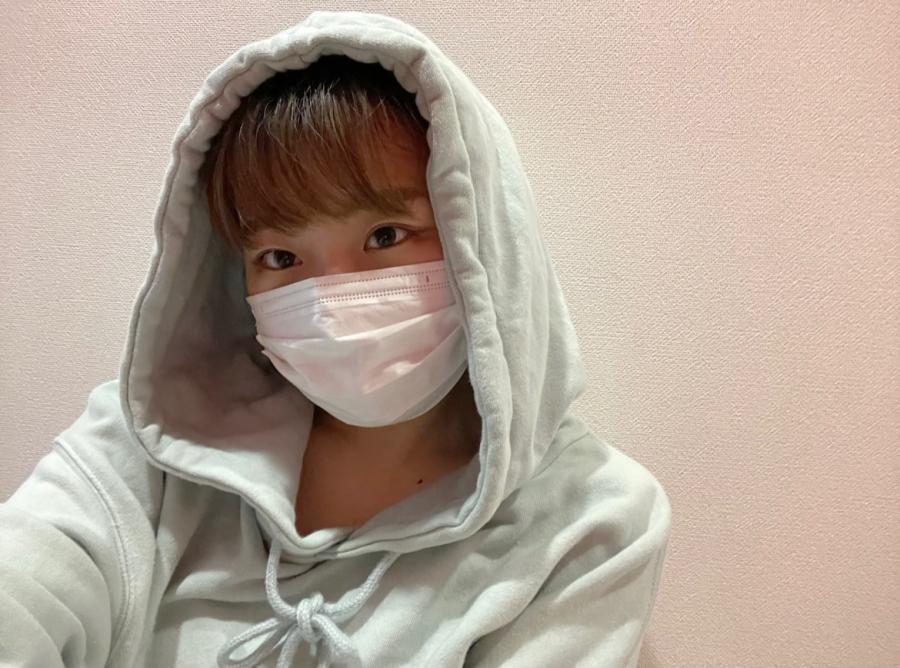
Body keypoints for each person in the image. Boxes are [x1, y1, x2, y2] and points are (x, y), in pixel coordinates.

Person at [0, 10, 671, 668]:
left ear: (484, 238)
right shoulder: (143, 450)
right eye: (280, 258)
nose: (327, 308)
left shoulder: (591, 523)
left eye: (386, 235)